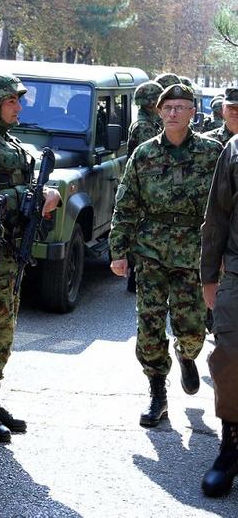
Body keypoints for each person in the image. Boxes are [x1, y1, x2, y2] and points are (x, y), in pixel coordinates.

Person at [109, 84, 221, 428]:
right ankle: (157, 391)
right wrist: (119, 251)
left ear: (192, 113)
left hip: (195, 252)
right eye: (167, 107)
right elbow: (126, 204)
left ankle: (186, 355)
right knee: (150, 324)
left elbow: (226, 206)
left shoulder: (211, 153)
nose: (173, 112)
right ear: (159, 112)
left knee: (193, 328)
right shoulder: (144, 154)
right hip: (152, 251)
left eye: (180, 107)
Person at [0, 72, 61, 443]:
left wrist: (42, 195)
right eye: (11, 101)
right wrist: (30, 196)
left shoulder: (5, 139)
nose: (18, 107)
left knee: (2, 331)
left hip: (11, 249)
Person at [200, 91, 238, 496]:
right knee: (229, 357)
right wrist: (209, 276)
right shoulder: (234, 149)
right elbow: (218, 215)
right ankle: (231, 446)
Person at [125, 81, 164, 293]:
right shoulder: (144, 127)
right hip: (144, 185)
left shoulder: (148, 123)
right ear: (151, 104)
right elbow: (151, 160)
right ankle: (135, 278)